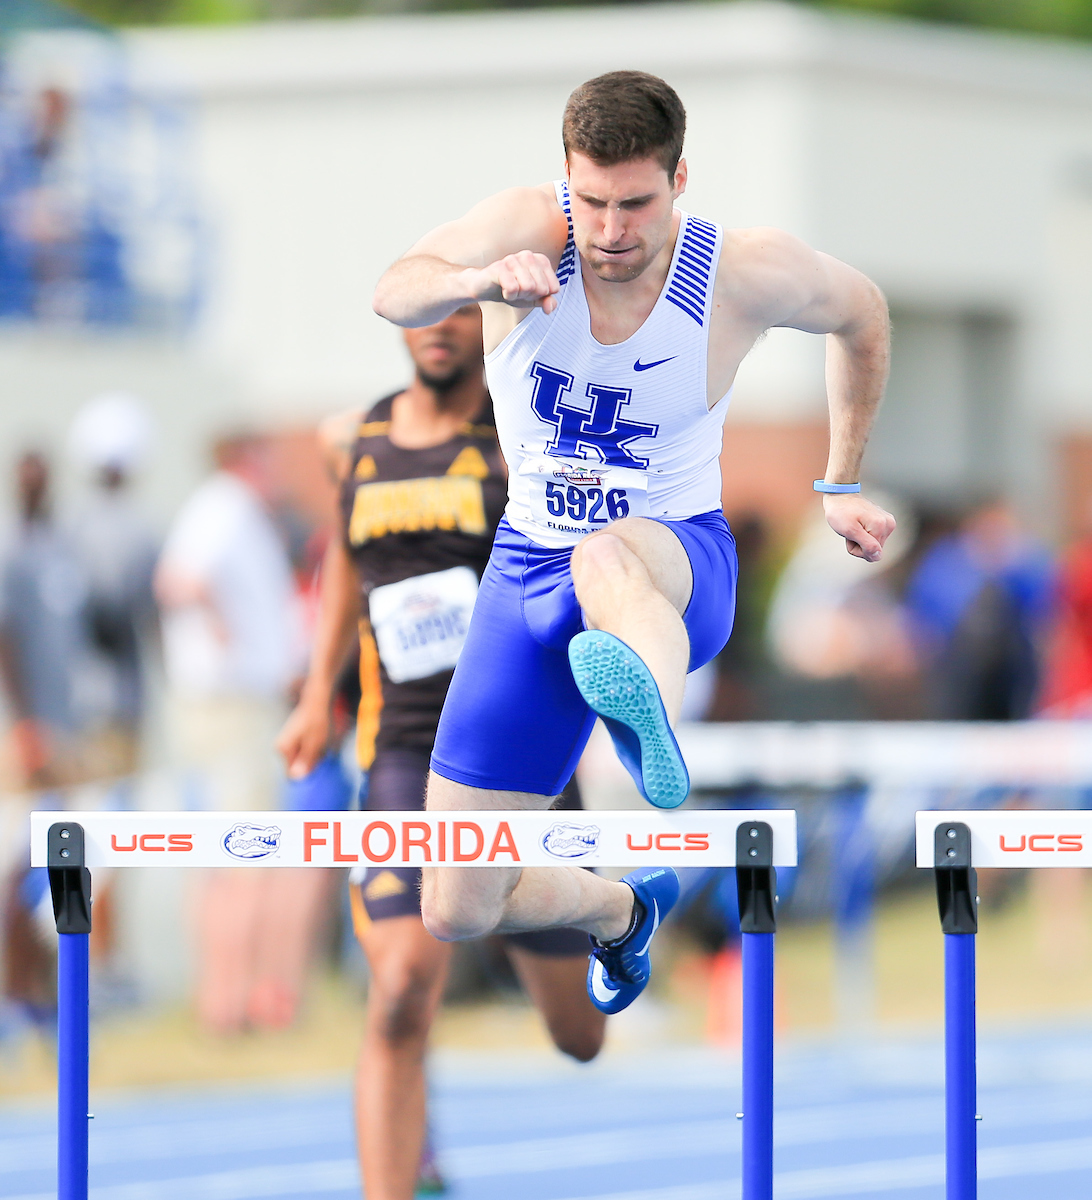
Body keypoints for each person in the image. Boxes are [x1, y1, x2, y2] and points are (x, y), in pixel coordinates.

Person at [372, 70, 895, 1014]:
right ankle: (621, 912)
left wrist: (840, 480)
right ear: (565, 180)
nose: (612, 231)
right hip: (523, 578)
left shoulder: (741, 272)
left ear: (680, 179)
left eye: (637, 204)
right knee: (456, 900)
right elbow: (396, 289)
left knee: (605, 556)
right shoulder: (525, 229)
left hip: (675, 563)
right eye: (593, 202)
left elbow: (862, 313)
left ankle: (643, 712)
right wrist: (476, 282)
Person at [278, 304, 605, 1200]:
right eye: (423, 315)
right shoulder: (351, 438)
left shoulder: (519, 440)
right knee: (397, 996)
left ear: (488, 330)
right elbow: (345, 559)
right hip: (398, 750)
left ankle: (614, 906)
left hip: (513, 755)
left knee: (579, 1035)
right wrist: (317, 694)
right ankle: (401, 1176)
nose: (437, 331)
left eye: (460, 316)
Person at [156, 434, 308, 1033]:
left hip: (231, 701)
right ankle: (234, 1003)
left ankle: (226, 998)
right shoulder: (225, 507)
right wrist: (224, 633)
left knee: (226, 855)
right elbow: (178, 580)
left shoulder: (226, 510)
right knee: (247, 852)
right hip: (233, 703)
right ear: (248, 459)